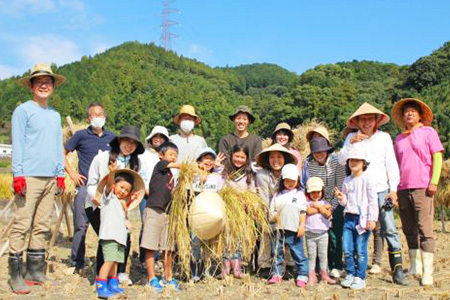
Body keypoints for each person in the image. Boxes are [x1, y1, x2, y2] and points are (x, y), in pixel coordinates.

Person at [9, 63, 66, 294]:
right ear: (32, 86)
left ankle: (34, 270)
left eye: (48, 81)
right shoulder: (23, 110)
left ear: (53, 86)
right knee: (22, 224)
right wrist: (18, 175)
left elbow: (56, 146)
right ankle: (15, 276)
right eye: (39, 81)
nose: (44, 85)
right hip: (29, 177)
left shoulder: (54, 115)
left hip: (50, 177)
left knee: (42, 225)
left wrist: (60, 174)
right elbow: (18, 144)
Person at [338, 102, 408, 285]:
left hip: (380, 189)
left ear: (377, 120)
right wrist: (349, 146)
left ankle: (397, 270)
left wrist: (393, 190)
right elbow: (340, 160)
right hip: (357, 190)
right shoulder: (352, 137)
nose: (367, 122)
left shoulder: (384, 138)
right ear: (357, 121)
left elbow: (391, 164)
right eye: (363, 119)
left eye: (370, 119)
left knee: (389, 227)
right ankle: (353, 271)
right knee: (354, 228)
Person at [86, 125, 148, 285]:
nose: (129, 145)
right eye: (126, 141)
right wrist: (96, 197)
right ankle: (101, 275)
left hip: (120, 208)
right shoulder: (102, 158)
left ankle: (118, 272)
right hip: (98, 205)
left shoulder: (136, 163)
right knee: (106, 237)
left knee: (123, 236)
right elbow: (91, 183)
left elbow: (133, 189)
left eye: (133, 143)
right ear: (119, 140)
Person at [392, 98, 444, 286]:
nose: (409, 113)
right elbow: (395, 165)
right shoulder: (398, 139)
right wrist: (395, 189)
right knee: (408, 228)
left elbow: (437, 157)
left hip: (423, 186)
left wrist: (434, 181)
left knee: (425, 228)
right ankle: (415, 265)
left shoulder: (429, 132)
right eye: (406, 111)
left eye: (413, 110)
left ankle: (428, 272)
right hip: (403, 188)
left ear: (420, 115)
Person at [65, 102, 115, 274]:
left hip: (107, 190)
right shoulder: (80, 136)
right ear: (89, 118)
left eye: (100, 114)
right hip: (85, 187)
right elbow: (62, 152)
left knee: (106, 227)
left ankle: (103, 265)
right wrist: (72, 173)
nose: (98, 117)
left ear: (105, 117)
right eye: (94, 115)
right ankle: (76, 263)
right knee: (81, 226)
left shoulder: (112, 138)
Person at [301, 128, 346, 278]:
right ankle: (322, 267)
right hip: (317, 202)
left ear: (327, 150)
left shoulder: (337, 162)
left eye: (322, 151)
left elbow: (339, 185)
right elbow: (311, 185)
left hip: (335, 202)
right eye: (315, 152)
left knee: (335, 236)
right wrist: (318, 206)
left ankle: (337, 265)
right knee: (319, 234)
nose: (319, 154)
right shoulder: (309, 163)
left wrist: (330, 208)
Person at [95, 169, 144, 298]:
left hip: (119, 238)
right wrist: (112, 173)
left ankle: (113, 284)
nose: (123, 191)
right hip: (110, 236)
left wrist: (127, 204)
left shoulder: (122, 203)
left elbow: (123, 214)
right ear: (113, 186)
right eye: (121, 187)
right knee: (109, 261)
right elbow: (109, 185)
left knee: (116, 262)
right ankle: (101, 284)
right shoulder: (108, 198)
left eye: (126, 190)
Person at [334, 148, 379, 290]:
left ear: (364, 163)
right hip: (349, 218)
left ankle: (360, 276)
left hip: (363, 219)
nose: (353, 162)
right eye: (351, 160)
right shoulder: (347, 180)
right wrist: (341, 198)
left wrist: (372, 218)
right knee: (347, 248)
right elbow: (346, 203)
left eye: (357, 160)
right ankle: (350, 274)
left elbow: (373, 200)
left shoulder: (368, 179)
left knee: (360, 249)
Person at [141, 141, 181, 293]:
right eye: (171, 154)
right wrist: (187, 166)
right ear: (161, 156)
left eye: (175, 156)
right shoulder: (159, 167)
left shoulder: (171, 176)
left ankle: (168, 277)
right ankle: (152, 279)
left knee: (168, 247)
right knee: (151, 246)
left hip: (167, 212)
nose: (173, 158)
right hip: (154, 210)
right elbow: (171, 165)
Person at [255, 143, 297, 270]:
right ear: (268, 159)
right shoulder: (262, 174)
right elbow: (264, 197)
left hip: (287, 208)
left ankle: (289, 263)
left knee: (289, 231)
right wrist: (271, 215)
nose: (276, 160)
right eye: (272, 157)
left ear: (285, 159)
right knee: (267, 231)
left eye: (279, 157)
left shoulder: (289, 173)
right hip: (268, 208)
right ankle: (265, 264)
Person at [268, 164, 309, 288]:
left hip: (294, 228)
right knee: (276, 252)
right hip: (279, 229)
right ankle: (277, 273)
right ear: (283, 180)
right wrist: (274, 216)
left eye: (293, 181)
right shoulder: (277, 195)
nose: (290, 183)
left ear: (297, 180)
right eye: (287, 181)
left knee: (298, 252)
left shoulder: (300, 195)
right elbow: (272, 211)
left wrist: (302, 226)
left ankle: (303, 274)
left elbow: (303, 212)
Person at [220, 145, 256, 279]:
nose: (239, 159)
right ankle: (225, 268)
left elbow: (252, 192)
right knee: (226, 239)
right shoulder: (224, 172)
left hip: (241, 213)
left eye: (242, 157)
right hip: (227, 211)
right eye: (237, 156)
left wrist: (247, 201)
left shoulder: (248, 174)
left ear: (246, 159)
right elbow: (220, 189)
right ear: (231, 156)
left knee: (239, 239)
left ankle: (237, 268)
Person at [138, 126, 169, 273]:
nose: (158, 139)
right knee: (147, 226)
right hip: (147, 195)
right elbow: (140, 173)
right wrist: (145, 189)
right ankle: (145, 260)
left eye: (161, 137)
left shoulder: (168, 156)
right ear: (151, 138)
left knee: (161, 227)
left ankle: (156, 259)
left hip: (162, 197)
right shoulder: (143, 155)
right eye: (156, 136)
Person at [191, 147, 225, 281]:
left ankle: (207, 271)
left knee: (208, 244)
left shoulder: (216, 177)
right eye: (205, 158)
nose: (208, 161)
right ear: (199, 160)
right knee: (195, 243)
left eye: (211, 159)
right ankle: (194, 272)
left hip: (212, 215)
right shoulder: (193, 175)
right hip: (197, 215)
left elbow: (222, 193)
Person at [305, 177, 335, 285]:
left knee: (323, 255)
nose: (315, 194)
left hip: (323, 234)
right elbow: (308, 211)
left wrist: (318, 206)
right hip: (310, 234)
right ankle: (311, 275)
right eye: (312, 192)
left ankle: (324, 273)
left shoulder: (325, 202)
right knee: (311, 255)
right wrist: (322, 208)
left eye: (317, 192)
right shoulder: (306, 203)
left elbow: (328, 214)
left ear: (322, 191)